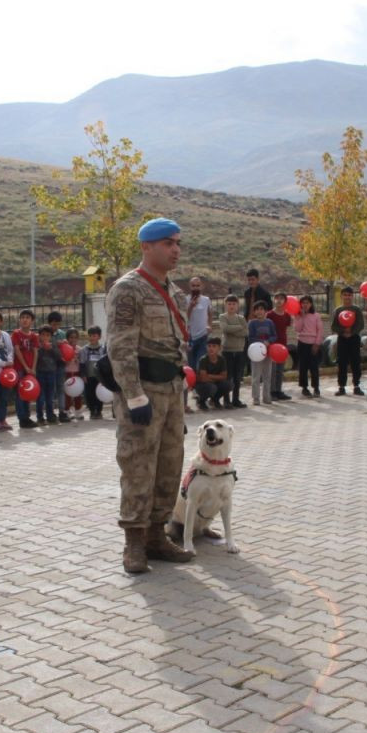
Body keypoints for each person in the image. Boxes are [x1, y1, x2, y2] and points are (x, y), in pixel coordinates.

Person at [106, 217, 194, 573]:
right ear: (146, 247)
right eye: (167, 243)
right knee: (138, 466)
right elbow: (121, 347)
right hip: (143, 394)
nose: (175, 249)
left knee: (169, 466)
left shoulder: (174, 291)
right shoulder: (129, 289)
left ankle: (158, 535)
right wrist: (134, 396)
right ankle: (134, 544)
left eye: (177, 243)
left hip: (171, 392)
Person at [331, 286, 366, 395]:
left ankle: (356, 386)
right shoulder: (338, 310)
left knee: (356, 362)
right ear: (341, 296)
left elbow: (361, 324)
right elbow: (334, 326)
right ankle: (341, 387)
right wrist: (343, 331)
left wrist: (352, 332)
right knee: (342, 363)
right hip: (342, 339)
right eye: (345, 295)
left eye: (349, 295)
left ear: (353, 296)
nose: (347, 297)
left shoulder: (356, 309)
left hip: (354, 338)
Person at [217, 296, 248, 407]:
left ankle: (236, 399)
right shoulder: (222, 317)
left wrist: (233, 330)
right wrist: (239, 327)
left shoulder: (241, 318)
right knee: (228, 376)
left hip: (239, 350)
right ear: (225, 305)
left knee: (237, 377)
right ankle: (227, 400)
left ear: (237, 306)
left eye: (234, 304)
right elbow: (225, 329)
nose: (231, 306)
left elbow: (245, 332)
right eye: (229, 304)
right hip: (227, 350)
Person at [12, 310, 39, 429]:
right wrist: (26, 367)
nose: (25, 320)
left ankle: (27, 417)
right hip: (19, 368)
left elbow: (35, 352)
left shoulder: (34, 336)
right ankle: (22, 418)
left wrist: (32, 368)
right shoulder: (16, 334)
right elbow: (17, 351)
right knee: (20, 394)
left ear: (32, 321)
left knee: (28, 393)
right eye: (22, 317)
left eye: (27, 317)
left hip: (30, 370)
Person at [247, 301, 277, 406]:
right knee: (256, 376)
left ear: (265, 311)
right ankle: (256, 398)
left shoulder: (270, 322)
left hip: (268, 353)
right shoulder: (252, 323)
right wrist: (261, 343)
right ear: (254, 312)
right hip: (256, 354)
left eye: (261, 309)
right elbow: (250, 338)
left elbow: (274, 336)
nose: (259, 311)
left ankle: (266, 397)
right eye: (257, 309)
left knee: (267, 376)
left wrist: (269, 341)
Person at [295, 295, 323, 397]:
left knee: (314, 367)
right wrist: (301, 316)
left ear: (311, 304)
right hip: (302, 343)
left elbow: (320, 330)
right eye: (303, 303)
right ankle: (304, 388)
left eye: (307, 302)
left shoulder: (316, 315)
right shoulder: (298, 316)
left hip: (313, 344)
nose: (305, 305)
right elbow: (297, 329)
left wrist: (317, 343)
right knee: (303, 367)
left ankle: (316, 388)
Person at [267, 293, 293, 400]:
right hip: (272, 346)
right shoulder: (269, 315)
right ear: (273, 300)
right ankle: (271, 391)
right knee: (272, 370)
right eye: (276, 298)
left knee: (280, 370)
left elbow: (288, 326)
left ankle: (278, 390)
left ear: (285, 301)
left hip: (283, 346)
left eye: (281, 298)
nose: (279, 300)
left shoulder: (287, 316)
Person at [34, 325, 61, 425]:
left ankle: (50, 415)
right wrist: (41, 349)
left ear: (51, 336)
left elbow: (59, 356)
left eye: (48, 335)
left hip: (51, 372)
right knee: (40, 397)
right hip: (40, 373)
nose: (45, 337)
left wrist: (51, 349)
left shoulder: (53, 345)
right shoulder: (37, 346)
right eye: (43, 335)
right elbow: (35, 358)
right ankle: (40, 417)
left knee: (50, 396)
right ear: (39, 336)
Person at [79, 326, 107, 420]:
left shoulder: (103, 349)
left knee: (99, 393)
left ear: (99, 336)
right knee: (89, 394)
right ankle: (92, 411)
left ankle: (98, 411)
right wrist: (83, 375)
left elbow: (105, 363)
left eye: (94, 335)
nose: (92, 338)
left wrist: (104, 375)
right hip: (89, 375)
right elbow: (82, 363)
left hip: (99, 376)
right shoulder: (84, 350)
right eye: (90, 335)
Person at [194, 338, 230, 410]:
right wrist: (217, 378)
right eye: (209, 346)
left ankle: (214, 400)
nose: (211, 348)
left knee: (228, 385)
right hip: (202, 385)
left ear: (219, 348)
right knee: (212, 387)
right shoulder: (203, 360)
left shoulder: (221, 359)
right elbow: (203, 378)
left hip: (213, 382)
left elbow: (224, 376)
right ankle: (201, 401)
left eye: (214, 346)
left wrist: (209, 376)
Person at [187, 277, 211, 369]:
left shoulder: (206, 300)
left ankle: (200, 382)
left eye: (198, 285)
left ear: (201, 286)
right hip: (190, 336)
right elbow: (185, 317)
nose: (196, 288)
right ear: (190, 287)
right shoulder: (186, 299)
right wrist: (191, 306)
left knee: (200, 363)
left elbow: (210, 313)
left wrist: (209, 325)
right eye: (193, 286)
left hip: (203, 335)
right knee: (191, 364)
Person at [63, 329, 85, 419]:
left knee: (78, 393)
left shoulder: (80, 349)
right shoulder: (64, 348)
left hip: (77, 373)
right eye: (71, 338)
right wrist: (67, 360)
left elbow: (83, 362)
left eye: (75, 338)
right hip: (67, 373)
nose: (73, 340)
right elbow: (62, 362)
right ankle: (67, 411)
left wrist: (77, 359)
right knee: (67, 393)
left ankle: (78, 411)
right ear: (67, 339)